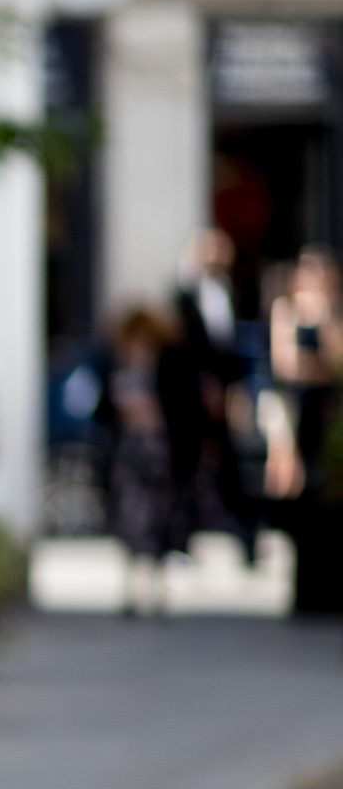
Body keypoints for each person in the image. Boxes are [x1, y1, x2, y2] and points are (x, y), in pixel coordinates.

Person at [160, 225, 249, 556]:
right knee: (186, 467)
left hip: (223, 392)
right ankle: (180, 540)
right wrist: (202, 383)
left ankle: (245, 538)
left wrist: (233, 390)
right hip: (191, 396)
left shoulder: (228, 292)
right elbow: (180, 348)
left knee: (231, 467)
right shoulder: (183, 294)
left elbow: (232, 348)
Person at [97, 300, 178, 612]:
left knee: (160, 516)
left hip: (156, 449)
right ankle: (133, 587)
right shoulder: (117, 366)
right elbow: (104, 408)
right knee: (129, 518)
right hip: (128, 450)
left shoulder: (164, 366)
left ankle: (159, 586)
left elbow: (177, 404)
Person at [267, 245, 343, 492]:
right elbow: (286, 363)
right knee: (288, 463)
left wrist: (324, 319)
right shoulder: (285, 308)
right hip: (293, 396)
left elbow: (337, 361)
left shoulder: (331, 310)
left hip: (326, 399)